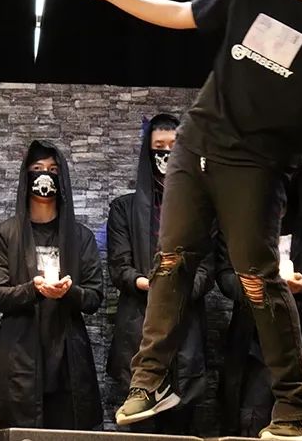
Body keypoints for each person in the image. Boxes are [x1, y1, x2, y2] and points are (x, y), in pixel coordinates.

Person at [67, 0, 302, 439]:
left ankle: (297, 403)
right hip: (196, 143)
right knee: (171, 259)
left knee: (256, 278)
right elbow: (181, 13)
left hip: (256, 164)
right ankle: (150, 380)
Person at [106, 114, 214, 435]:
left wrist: (177, 290)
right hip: (137, 332)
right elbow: (120, 268)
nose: (166, 153)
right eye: (159, 147)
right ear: (147, 152)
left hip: (186, 335)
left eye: (173, 146)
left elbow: (208, 269)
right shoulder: (123, 209)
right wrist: (150, 285)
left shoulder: (202, 210)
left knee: (181, 431)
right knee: (139, 428)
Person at [0, 140, 103, 430]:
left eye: (53, 170)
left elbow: (94, 297)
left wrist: (69, 292)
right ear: (26, 176)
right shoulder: (6, 234)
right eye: (37, 169)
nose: (45, 176)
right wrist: (33, 289)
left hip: (68, 361)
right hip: (20, 360)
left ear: (61, 179)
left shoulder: (80, 237)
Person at [216, 170, 302, 438]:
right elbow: (224, 274)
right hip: (253, 342)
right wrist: (253, 287)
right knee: (252, 418)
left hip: (301, 340)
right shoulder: (240, 223)